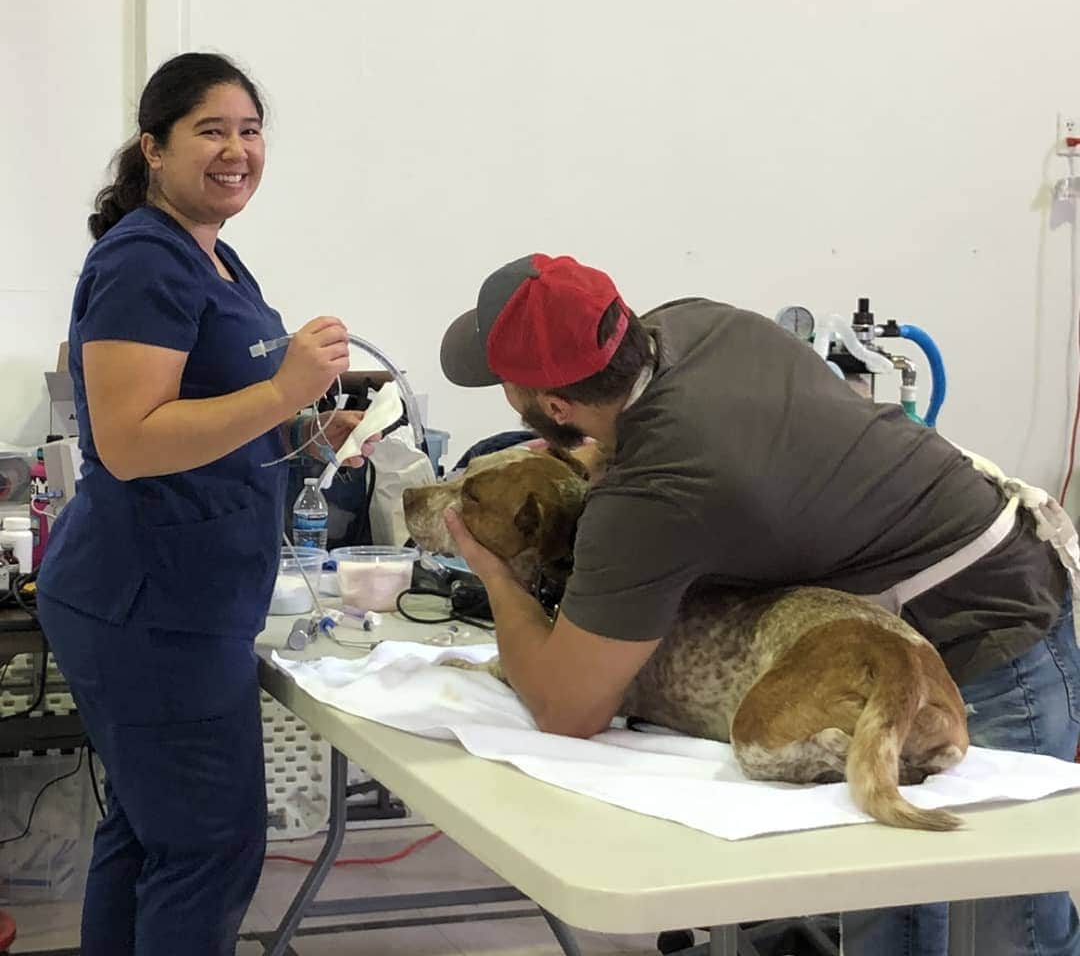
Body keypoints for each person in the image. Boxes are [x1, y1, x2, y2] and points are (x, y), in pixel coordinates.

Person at [438, 253, 1080, 956]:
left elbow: (569, 709)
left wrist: (493, 572)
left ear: (556, 409)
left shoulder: (653, 494)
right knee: (886, 907)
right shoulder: (696, 322)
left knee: (1006, 929)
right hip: (986, 569)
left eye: (509, 388)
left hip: (986, 630)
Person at [36, 53, 373, 956]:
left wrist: (305, 432)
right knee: (210, 847)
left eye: (251, 131)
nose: (237, 151)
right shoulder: (144, 261)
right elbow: (132, 440)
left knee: (152, 833)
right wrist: (281, 393)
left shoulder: (214, 256)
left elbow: (214, 416)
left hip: (187, 596)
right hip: (148, 607)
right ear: (153, 146)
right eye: (211, 131)